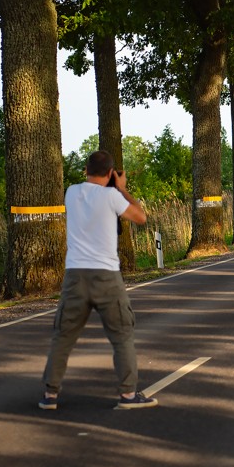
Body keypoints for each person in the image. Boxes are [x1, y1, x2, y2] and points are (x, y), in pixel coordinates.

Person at [38, 150, 157, 410]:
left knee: (63, 336)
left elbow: (90, 196)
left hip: (75, 276)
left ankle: (50, 394)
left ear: (85, 169)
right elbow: (140, 217)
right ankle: (128, 395)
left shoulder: (71, 192)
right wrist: (123, 189)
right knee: (121, 335)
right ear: (111, 172)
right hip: (106, 276)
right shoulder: (112, 196)